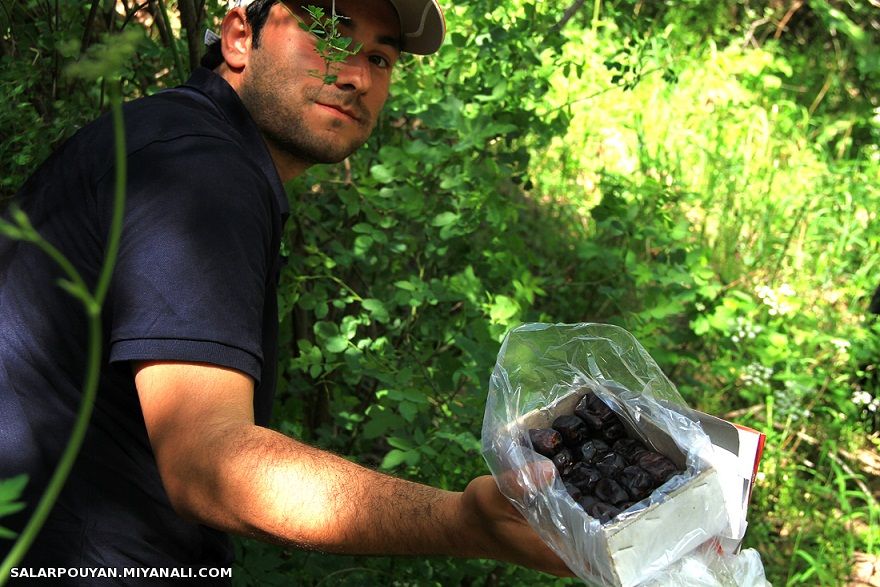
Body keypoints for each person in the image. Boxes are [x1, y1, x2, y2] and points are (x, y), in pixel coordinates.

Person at [0, 0, 572, 582]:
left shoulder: (169, 136)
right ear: (238, 37)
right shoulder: (197, 170)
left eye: (380, 56)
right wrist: (463, 521)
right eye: (330, 34)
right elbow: (209, 465)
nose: (357, 77)